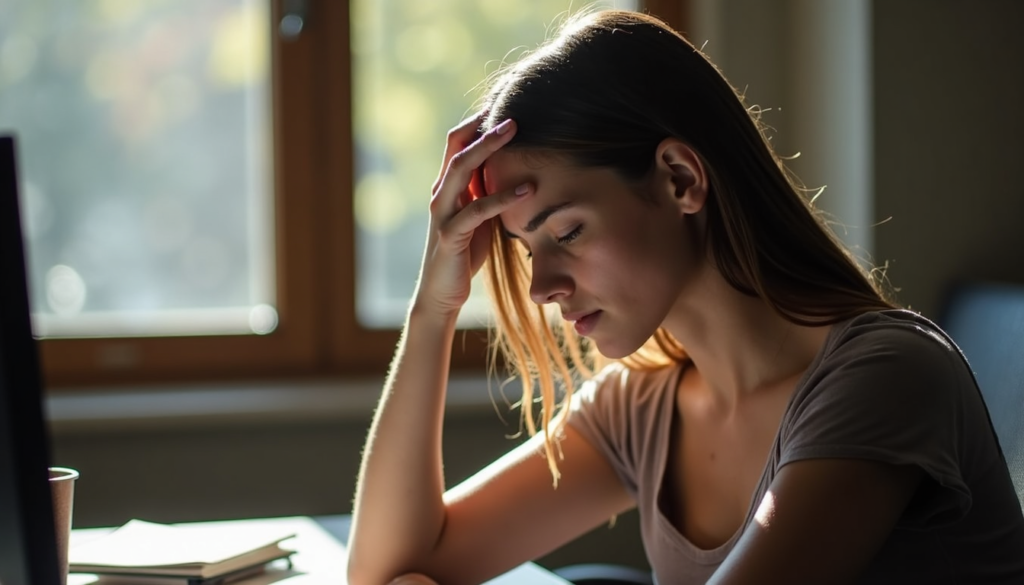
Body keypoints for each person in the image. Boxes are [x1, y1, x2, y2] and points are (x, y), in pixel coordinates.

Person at [346, 9, 1024, 585]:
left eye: (568, 231)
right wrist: (432, 306)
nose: (542, 288)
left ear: (678, 178)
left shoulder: (885, 376)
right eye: (527, 249)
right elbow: (393, 566)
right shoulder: (645, 405)